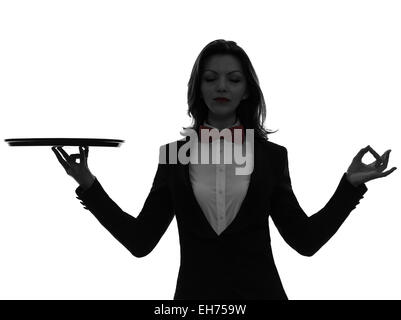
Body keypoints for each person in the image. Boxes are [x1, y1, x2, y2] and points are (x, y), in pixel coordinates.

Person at [51, 39, 396, 300]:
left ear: (247, 91)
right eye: (210, 79)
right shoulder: (173, 155)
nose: (221, 87)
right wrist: (87, 184)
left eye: (233, 79)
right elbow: (141, 241)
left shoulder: (272, 157)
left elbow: (304, 240)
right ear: (198, 88)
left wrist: (350, 186)